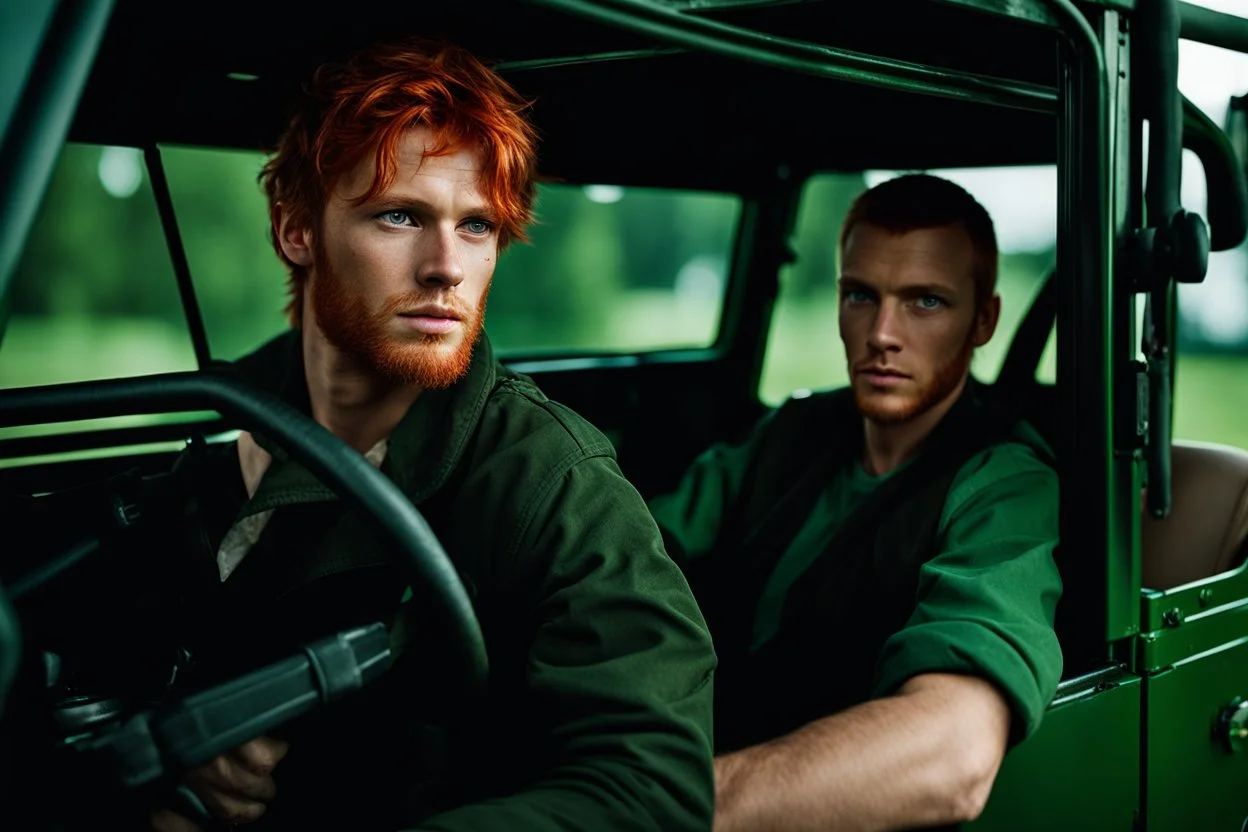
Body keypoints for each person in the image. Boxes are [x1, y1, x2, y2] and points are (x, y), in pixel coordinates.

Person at [147, 37, 716, 832]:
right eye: (401, 215)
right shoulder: (216, 437)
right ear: (297, 231)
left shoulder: (553, 479)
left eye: (477, 226)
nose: (446, 265)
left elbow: (651, 790)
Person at [648, 173, 1063, 831]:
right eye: (860, 296)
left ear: (983, 321)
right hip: (680, 746)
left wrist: (667, 811)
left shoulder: (1003, 484)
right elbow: (634, 551)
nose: (882, 334)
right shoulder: (795, 431)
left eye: (926, 302)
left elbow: (956, 751)